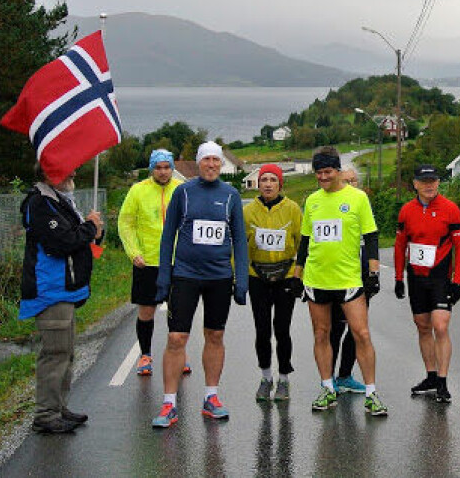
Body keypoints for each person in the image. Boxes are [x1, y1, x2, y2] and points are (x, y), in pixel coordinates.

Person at [151, 141, 249, 428]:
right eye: (206, 160)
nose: (211, 165)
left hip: (219, 277)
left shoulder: (231, 195)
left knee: (215, 336)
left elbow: (240, 241)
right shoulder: (183, 192)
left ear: (221, 164)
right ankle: (169, 403)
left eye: (216, 161)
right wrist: (163, 278)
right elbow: (168, 237)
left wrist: (240, 279)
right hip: (185, 275)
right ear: (199, 163)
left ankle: (211, 397)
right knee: (176, 338)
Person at [294, 146, 387, 416]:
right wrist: (297, 277)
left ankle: (371, 394)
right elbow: (305, 241)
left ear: (337, 170)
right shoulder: (312, 201)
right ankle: (327, 388)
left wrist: (373, 273)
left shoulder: (357, 198)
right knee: (322, 334)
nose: (322, 177)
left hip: (348, 278)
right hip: (317, 278)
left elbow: (371, 237)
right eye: (318, 173)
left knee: (362, 334)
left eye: (327, 172)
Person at [20, 166, 103, 433]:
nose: (74, 175)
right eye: (67, 171)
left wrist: (92, 231)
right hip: (50, 290)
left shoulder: (58, 202)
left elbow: (76, 239)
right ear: (49, 172)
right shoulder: (40, 203)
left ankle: (58, 408)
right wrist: (89, 226)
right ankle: (45, 415)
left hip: (64, 290)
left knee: (66, 353)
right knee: (55, 354)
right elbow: (61, 242)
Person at [394, 164, 460, 403]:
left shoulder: (450, 209)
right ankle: (431, 376)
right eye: (424, 181)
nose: (429, 185)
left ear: (438, 183)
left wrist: (457, 281)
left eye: (433, 181)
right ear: (415, 184)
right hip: (416, 277)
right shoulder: (406, 211)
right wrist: (398, 278)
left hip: (440, 277)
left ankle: (443, 382)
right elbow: (400, 246)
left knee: (441, 326)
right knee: (423, 326)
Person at [117, 149, 191, 377]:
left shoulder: (182, 189)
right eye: (158, 167)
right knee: (146, 312)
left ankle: (179, 354)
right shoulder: (137, 190)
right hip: (147, 262)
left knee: (177, 313)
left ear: (172, 168)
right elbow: (126, 223)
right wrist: (133, 252)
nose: (163, 172)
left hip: (176, 262)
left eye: (167, 167)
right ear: (152, 169)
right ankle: (145, 355)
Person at [244, 164, 302, 402]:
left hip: (285, 275)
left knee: (282, 329)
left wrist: (299, 275)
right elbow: (238, 244)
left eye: (273, 180)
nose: (268, 184)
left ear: (280, 184)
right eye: (264, 180)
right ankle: (266, 376)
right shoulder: (248, 211)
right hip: (257, 275)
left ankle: (284, 379)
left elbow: (301, 243)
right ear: (258, 184)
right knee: (262, 329)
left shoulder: (293, 209)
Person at [328, 167, 365, 394]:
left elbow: (371, 240)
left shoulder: (362, 204)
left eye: (354, 181)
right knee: (334, 329)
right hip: (335, 277)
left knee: (356, 330)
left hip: (359, 278)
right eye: (346, 181)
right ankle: (328, 377)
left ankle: (345, 375)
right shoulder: (332, 205)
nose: (350, 185)